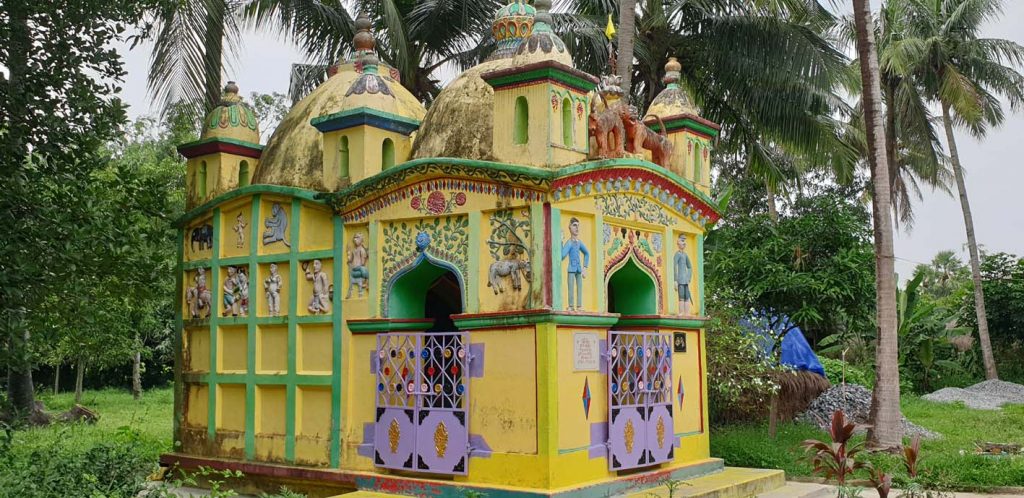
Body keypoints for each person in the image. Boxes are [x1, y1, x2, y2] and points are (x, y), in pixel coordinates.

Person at [560, 217, 590, 311]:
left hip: (579, 268)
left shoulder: (579, 243)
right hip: (571, 269)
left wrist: (585, 267)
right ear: (569, 227)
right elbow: (562, 255)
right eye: (574, 225)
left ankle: (579, 306)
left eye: (578, 226)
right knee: (571, 288)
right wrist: (561, 241)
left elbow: (587, 253)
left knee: (579, 288)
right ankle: (571, 306)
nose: (577, 228)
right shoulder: (569, 243)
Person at [674, 235, 693, 316]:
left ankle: (687, 313)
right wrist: (675, 279)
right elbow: (674, 266)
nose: (684, 243)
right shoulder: (677, 254)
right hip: (680, 280)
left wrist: (688, 277)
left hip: (685, 280)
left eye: (684, 241)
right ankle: (681, 312)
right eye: (682, 241)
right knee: (681, 296)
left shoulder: (685, 255)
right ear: (678, 243)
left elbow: (689, 267)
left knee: (687, 296)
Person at [346, 233, 369, 298]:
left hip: (359, 269)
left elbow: (363, 262)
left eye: (357, 238)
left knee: (363, 269)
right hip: (354, 270)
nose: (355, 239)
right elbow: (350, 260)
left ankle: (366, 282)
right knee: (364, 269)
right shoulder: (354, 250)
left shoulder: (362, 250)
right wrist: (348, 252)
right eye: (354, 238)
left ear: (361, 240)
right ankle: (366, 281)